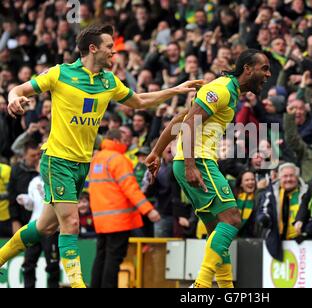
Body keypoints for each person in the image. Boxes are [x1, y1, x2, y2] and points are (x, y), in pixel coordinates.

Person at [1, 23, 202, 288]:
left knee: (45, 227)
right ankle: (77, 284)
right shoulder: (60, 74)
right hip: (57, 159)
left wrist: (175, 90)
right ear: (93, 48)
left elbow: (140, 101)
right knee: (70, 222)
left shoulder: (109, 81)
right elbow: (19, 89)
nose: (113, 53)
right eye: (109, 47)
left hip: (82, 163)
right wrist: (14, 98)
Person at [146, 48, 271, 288]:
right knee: (232, 218)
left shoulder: (229, 92)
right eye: (264, 68)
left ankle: (225, 287)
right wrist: (191, 165)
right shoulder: (221, 89)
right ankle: (201, 285)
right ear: (247, 69)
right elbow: (190, 122)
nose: (268, 74)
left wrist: (156, 152)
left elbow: (179, 119)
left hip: (190, 161)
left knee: (217, 229)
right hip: (198, 161)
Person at [89, 129, 160, 288]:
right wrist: (149, 210)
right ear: (116, 140)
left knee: (101, 257)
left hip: (101, 220)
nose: (127, 142)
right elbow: (131, 189)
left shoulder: (97, 159)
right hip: (118, 220)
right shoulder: (118, 160)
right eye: (124, 139)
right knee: (113, 259)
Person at [16, 161, 60, 288]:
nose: (42, 168)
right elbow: (32, 206)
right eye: (39, 165)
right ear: (36, 167)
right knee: (28, 262)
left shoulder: (56, 180)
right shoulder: (34, 181)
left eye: (45, 165)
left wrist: (44, 193)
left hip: (51, 228)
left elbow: (56, 203)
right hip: (34, 226)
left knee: (52, 263)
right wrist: (26, 200)